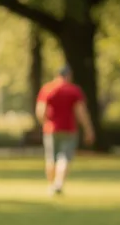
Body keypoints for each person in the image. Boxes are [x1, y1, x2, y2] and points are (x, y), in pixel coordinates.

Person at [34, 65, 94, 196]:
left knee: (51, 159)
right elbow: (81, 112)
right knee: (65, 158)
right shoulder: (73, 90)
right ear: (69, 75)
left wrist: (45, 122)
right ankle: (59, 183)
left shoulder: (47, 89)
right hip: (69, 129)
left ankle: (51, 185)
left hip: (50, 129)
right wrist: (88, 129)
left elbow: (40, 111)